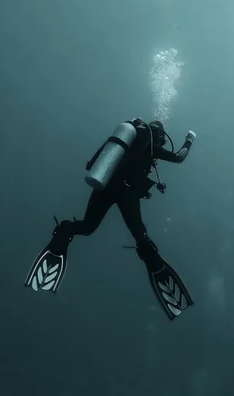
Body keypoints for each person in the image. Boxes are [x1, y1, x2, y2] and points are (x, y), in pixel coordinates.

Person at [25, 118, 196, 321]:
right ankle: (151, 258)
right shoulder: (150, 143)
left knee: (87, 226)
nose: (161, 144)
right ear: (159, 135)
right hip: (127, 192)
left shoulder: (131, 141)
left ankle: (65, 231)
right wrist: (189, 140)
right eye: (162, 140)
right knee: (139, 234)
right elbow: (178, 157)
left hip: (105, 183)